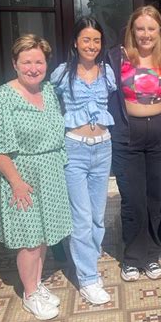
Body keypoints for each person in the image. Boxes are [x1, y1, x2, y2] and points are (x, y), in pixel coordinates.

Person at [0, 35, 72, 320]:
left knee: (44, 237)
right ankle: (30, 294)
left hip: (51, 175)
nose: (33, 67)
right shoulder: (2, 97)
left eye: (39, 61)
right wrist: (17, 183)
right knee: (30, 240)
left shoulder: (48, 91)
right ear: (14, 64)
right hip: (22, 178)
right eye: (27, 62)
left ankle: (37, 283)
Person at [51, 18, 116, 305]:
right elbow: (49, 105)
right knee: (81, 218)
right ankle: (88, 278)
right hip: (74, 150)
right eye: (86, 40)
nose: (92, 46)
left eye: (97, 41)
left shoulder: (108, 73)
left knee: (97, 216)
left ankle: (86, 259)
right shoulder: (63, 74)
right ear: (76, 42)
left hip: (103, 149)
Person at [108, 5, 161, 282]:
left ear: (159, 31)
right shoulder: (116, 56)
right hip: (127, 135)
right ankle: (133, 257)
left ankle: (152, 255)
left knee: (155, 198)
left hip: (159, 134)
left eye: (151, 28)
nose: (145, 34)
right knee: (133, 199)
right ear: (131, 31)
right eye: (140, 28)